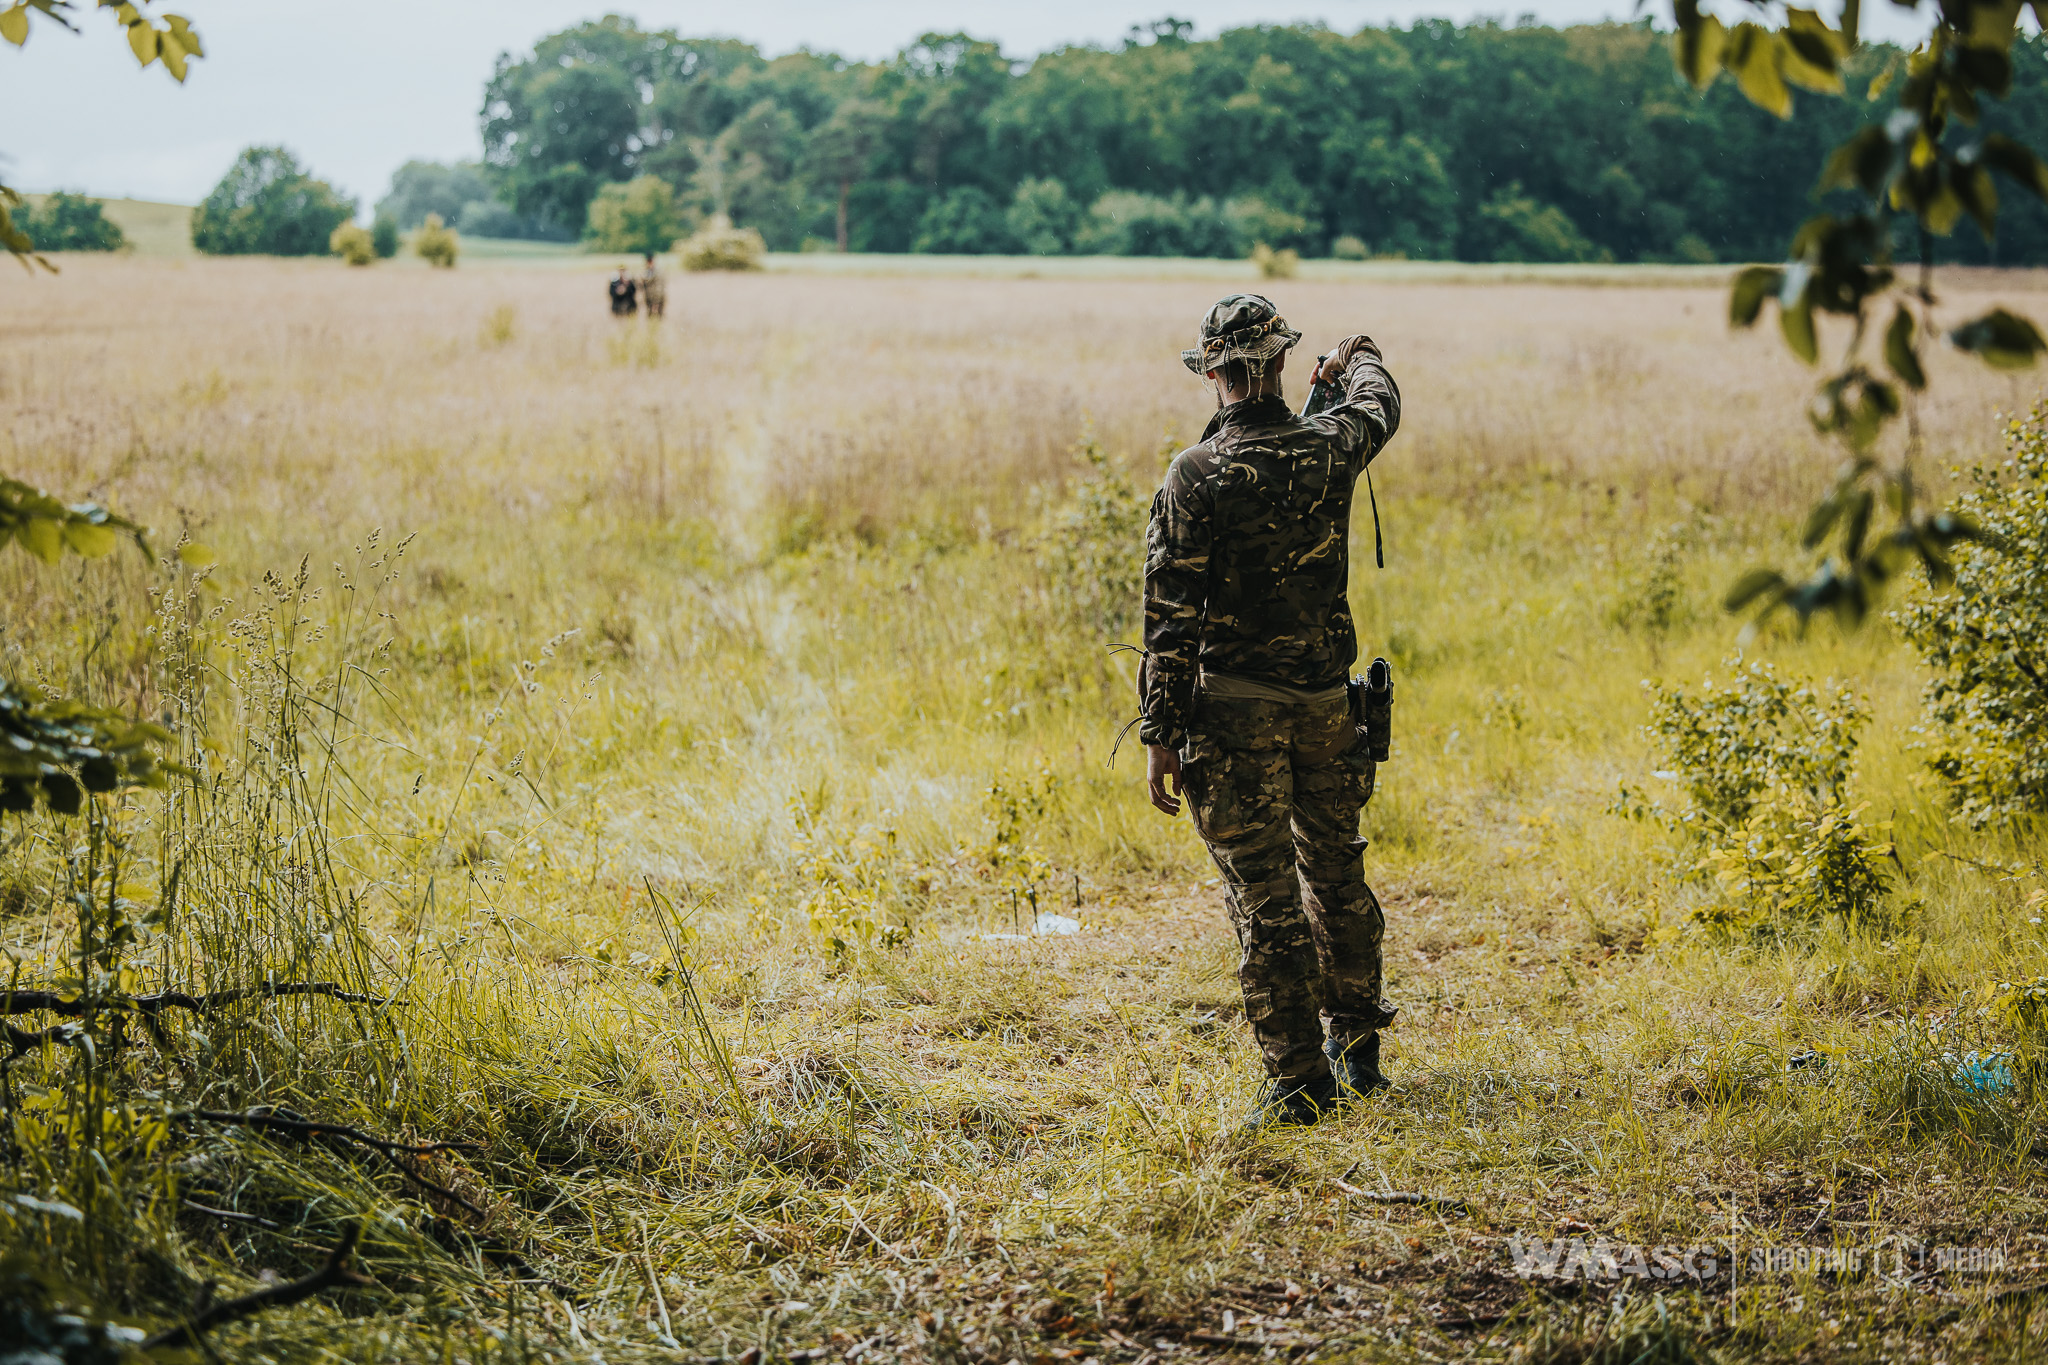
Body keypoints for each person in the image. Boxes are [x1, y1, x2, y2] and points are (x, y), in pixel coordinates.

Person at [1138, 293, 1403, 1130]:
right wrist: (1355, 356)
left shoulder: (1195, 475)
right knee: (1337, 874)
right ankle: (1356, 1053)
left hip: (1235, 717)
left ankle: (1296, 1084)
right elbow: (1377, 404)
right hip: (1328, 707)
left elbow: (1170, 619)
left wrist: (1161, 734)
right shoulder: (1331, 446)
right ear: (1283, 362)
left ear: (1213, 369)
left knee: (1266, 899)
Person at [639, 252, 667, 319]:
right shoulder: (648, 271)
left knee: (657, 314)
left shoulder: (655, 271)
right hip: (652, 296)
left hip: (656, 296)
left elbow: (646, 280)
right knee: (652, 314)